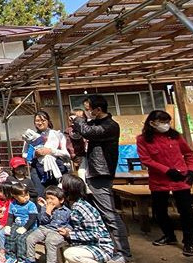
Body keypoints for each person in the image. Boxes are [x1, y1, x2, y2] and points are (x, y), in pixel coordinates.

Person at [70, 95, 131, 262]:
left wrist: (79, 120)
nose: (87, 112)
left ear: (98, 109)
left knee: (110, 214)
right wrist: (75, 127)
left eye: (89, 109)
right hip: (92, 172)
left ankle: (123, 253)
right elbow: (80, 135)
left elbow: (88, 132)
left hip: (101, 173)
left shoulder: (110, 126)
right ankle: (108, 247)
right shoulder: (95, 124)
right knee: (100, 214)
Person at [136, 110, 193, 256]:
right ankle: (169, 235)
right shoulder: (143, 139)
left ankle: (189, 243)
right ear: (152, 123)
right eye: (162, 122)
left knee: (186, 211)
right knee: (159, 211)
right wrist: (166, 170)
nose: (166, 125)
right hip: (159, 180)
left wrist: (191, 171)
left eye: (167, 122)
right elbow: (146, 160)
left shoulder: (175, 136)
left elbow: (189, 154)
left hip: (180, 179)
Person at [59, 174, 114, 263]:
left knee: (70, 254)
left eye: (62, 185)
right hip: (84, 246)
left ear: (69, 189)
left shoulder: (82, 208)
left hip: (100, 247)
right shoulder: (70, 205)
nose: (59, 187)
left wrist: (70, 234)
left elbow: (95, 234)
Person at [23, 111, 70, 197]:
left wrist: (51, 151)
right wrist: (35, 154)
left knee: (59, 194)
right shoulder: (31, 136)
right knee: (41, 196)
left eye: (43, 120)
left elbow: (66, 154)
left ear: (48, 121)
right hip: (37, 170)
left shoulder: (57, 134)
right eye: (37, 121)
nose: (40, 123)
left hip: (56, 168)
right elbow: (25, 154)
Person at [25, 186, 71, 263]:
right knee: (30, 238)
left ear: (61, 200)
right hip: (44, 228)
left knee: (50, 241)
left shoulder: (66, 211)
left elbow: (70, 223)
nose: (49, 201)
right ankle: (30, 260)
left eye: (52, 198)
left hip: (57, 231)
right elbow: (42, 221)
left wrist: (67, 231)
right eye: (47, 198)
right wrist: (48, 211)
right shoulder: (45, 208)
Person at [4, 183, 38, 263]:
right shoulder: (13, 204)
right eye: (23, 196)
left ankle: (22, 258)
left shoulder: (31, 205)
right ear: (15, 196)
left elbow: (32, 219)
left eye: (27, 194)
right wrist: (8, 226)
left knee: (21, 239)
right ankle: (11, 256)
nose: (26, 197)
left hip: (29, 226)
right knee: (9, 236)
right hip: (17, 224)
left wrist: (25, 228)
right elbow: (10, 216)